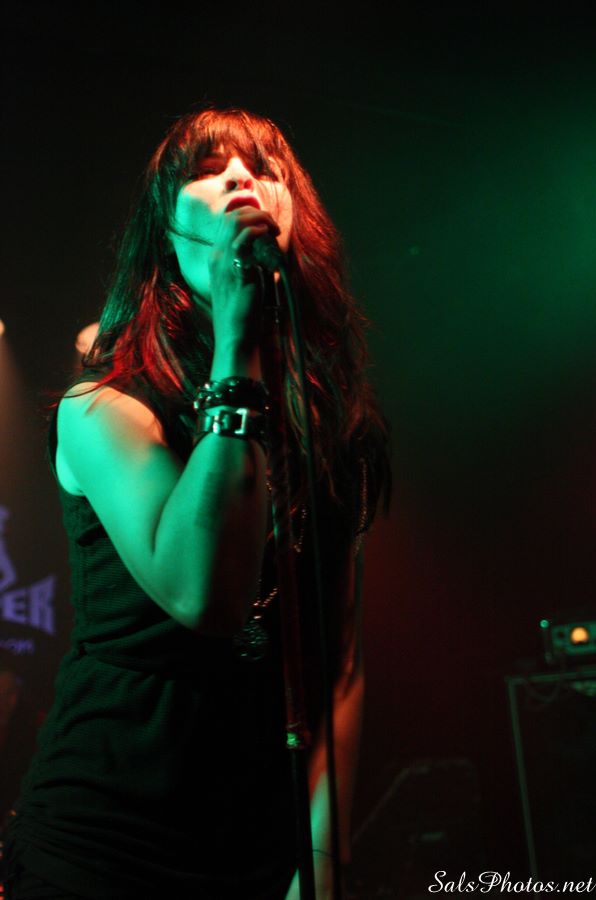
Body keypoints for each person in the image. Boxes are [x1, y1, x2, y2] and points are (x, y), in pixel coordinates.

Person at [4, 106, 390, 900]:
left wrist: (323, 862)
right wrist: (236, 346)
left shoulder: (330, 422)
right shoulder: (103, 407)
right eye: (208, 171)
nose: (242, 177)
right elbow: (203, 595)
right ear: (166, 234)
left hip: (254, 859)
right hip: (102, 852)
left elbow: (340, 667)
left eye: (264, 168)